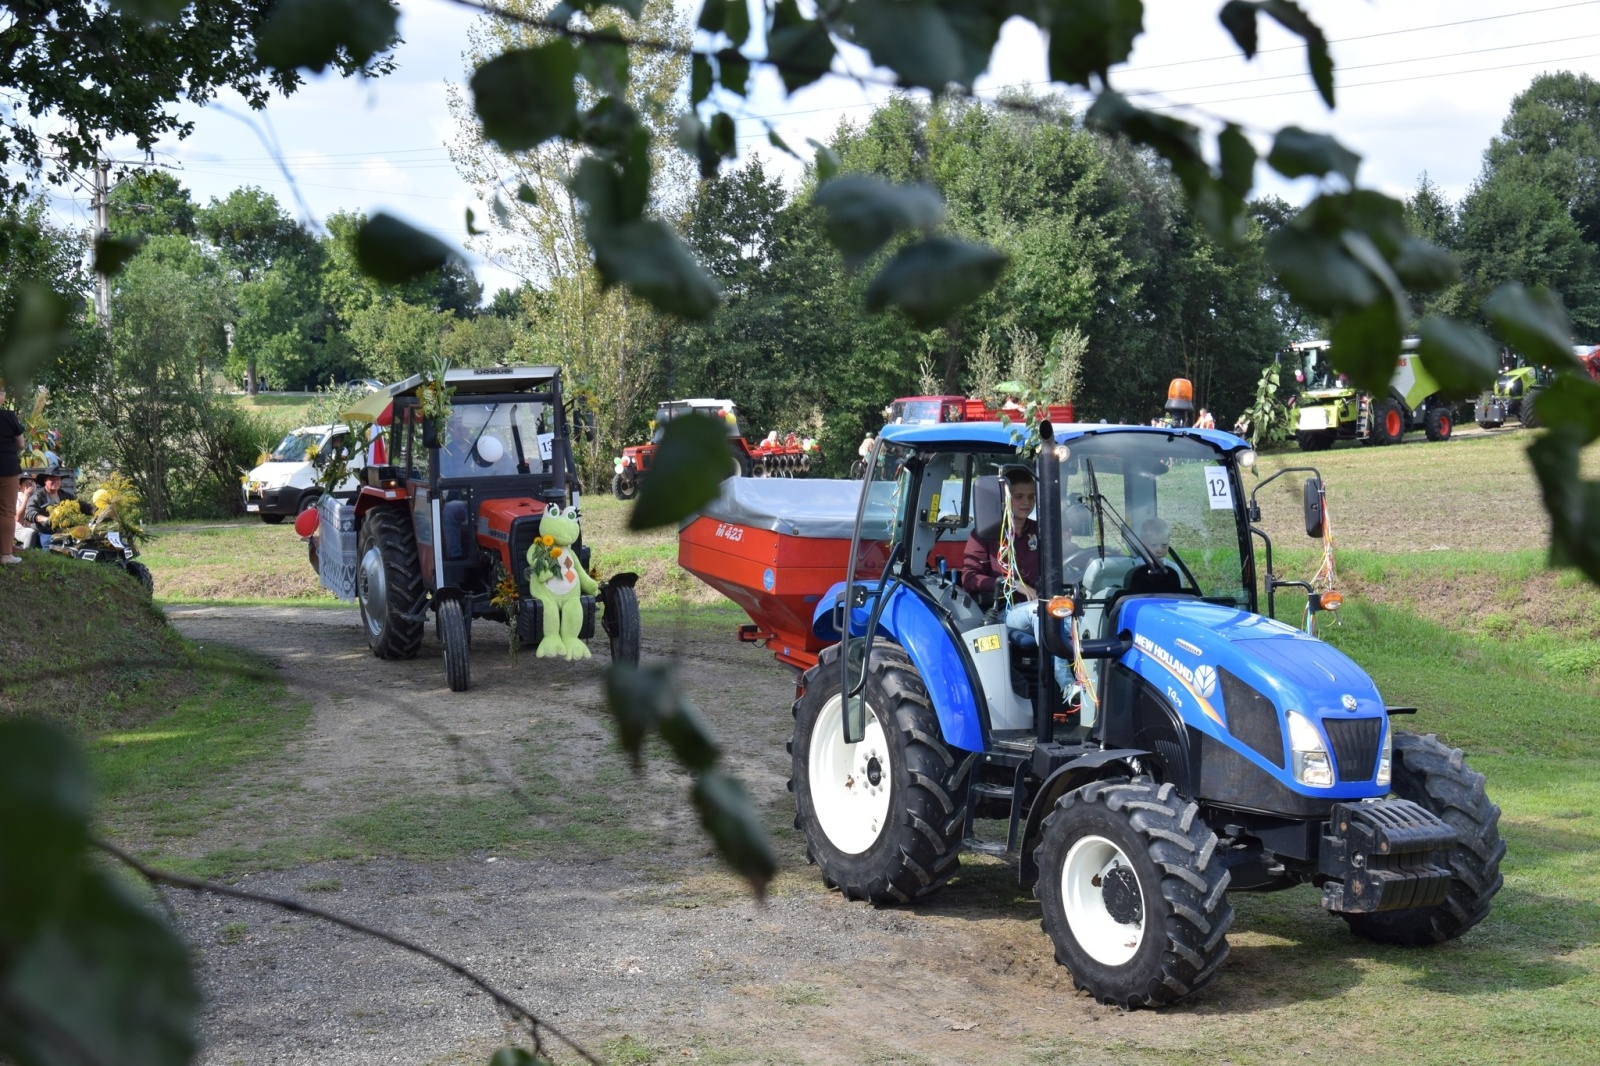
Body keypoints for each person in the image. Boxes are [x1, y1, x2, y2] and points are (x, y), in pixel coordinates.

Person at [24, 468, 77, 551]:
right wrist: (45, 519)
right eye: (52, 479)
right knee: (51, 547)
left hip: (65, 531)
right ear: (45, 481)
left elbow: (80, 504)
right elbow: (29, 513)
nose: (55, 481)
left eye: (58, 479)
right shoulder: (38, 497)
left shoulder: (66, 495)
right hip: (45, 532)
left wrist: (92, 511)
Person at [1126, 516, 1182, 594]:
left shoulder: (1173, 569)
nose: (1160, 550)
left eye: (1164, 545)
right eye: (1154, 545)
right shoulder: (1133, 567)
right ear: (1143, 543)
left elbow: (1180, 595)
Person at [0, 387, 23, 564]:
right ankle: (6, 555)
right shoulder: (9, 416)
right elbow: (21, 444)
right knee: (7, 511)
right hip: (7, 468)